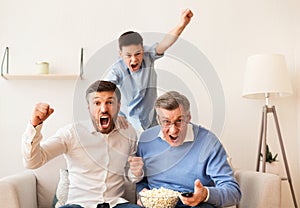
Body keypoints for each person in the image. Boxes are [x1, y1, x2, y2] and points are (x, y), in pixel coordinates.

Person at [22, 80, 144, 208]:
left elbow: (131, 176)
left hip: (115, 204)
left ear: (118, 106)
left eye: (110, 102)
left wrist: (136, 172)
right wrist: (34, 125)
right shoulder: (71, 133)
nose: (103, 109)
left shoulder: (128, 132)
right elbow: (32, 162)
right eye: (97, 103)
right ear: (89, 108)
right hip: (79, 204)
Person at [136, 91, 241, 208]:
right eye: (166, 122)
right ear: (158, 119)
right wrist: (142, 193)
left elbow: (233, 192)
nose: (173, 131)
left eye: (179, 121)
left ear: (188, 117)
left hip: (194, 205)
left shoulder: (208, 142)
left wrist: (205, 194)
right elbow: (140, 178)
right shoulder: (146, 140)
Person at [105, 9, 193, 132]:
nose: (134, 59)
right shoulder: (117, 70)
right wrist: (114, 114)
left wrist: (182, 24)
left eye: (138, 53)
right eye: (128, 55)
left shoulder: (148, 56)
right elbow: (105, 91)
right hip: (128, 121)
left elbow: (165, 43)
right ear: (120, 54)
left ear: (143, 50)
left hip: (151, 118)